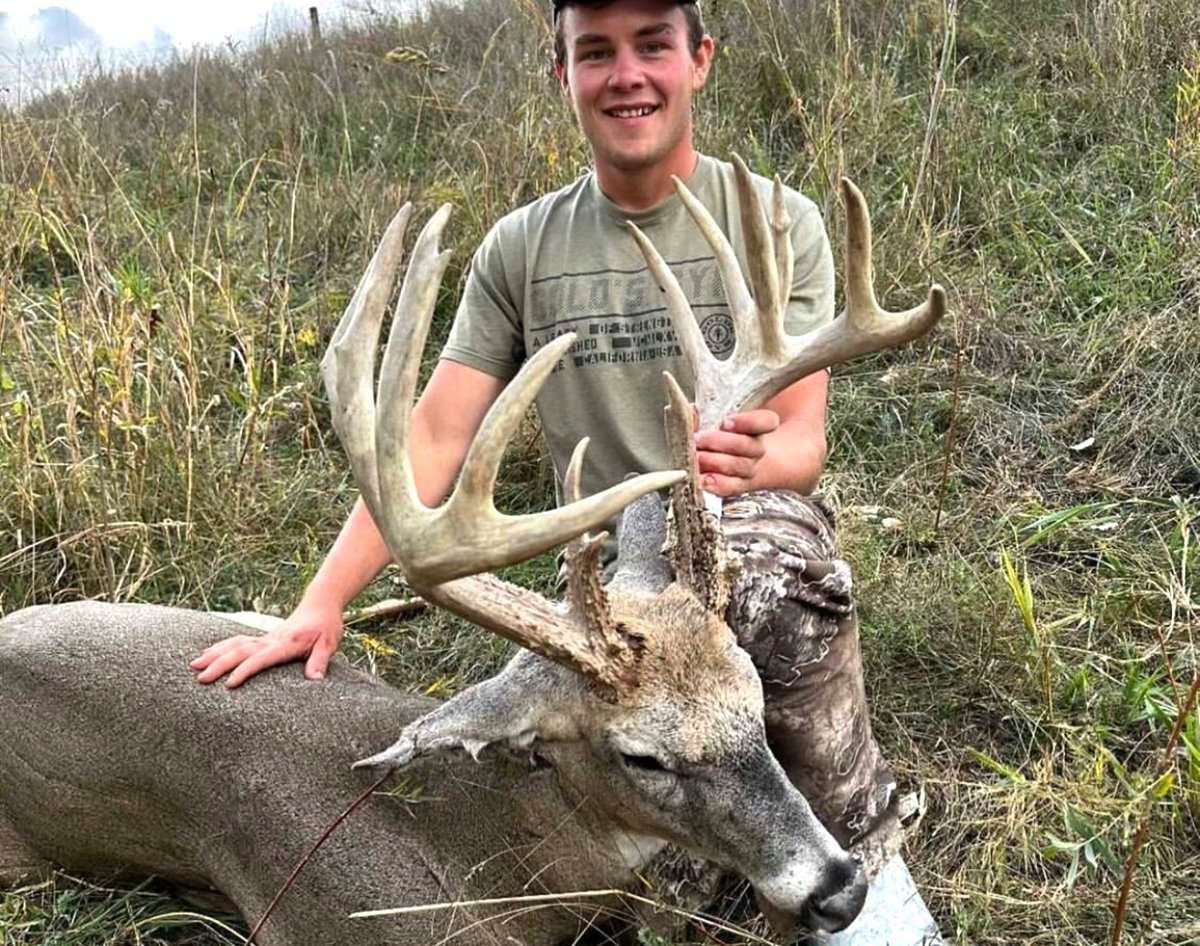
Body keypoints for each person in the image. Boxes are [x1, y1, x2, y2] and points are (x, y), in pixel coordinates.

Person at [191, 2, 944, 942]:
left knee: (753, 603)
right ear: (564, 77)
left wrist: (750, 460)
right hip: (601, 568)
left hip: (740, 518)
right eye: (596, 52)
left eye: (651, 46)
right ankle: (677, 855)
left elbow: (802, 442)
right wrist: (321, 600)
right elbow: (430, 443)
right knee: (602, 700)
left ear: (699, 59)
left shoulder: (775, 222)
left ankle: (855, 867)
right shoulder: (522, 248)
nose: (626, 73)